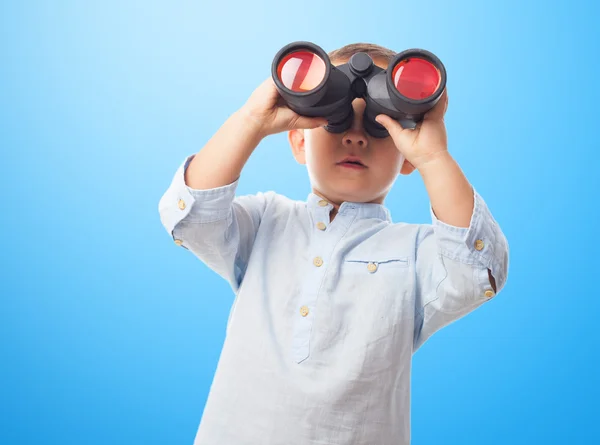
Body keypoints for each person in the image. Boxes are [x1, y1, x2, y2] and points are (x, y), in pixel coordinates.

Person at [158, 42, 509, 445]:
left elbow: (477, 266)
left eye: (381, 124)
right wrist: (252, 119)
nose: (356, 137)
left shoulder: (415, 254)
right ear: (298, 140)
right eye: (336, 120)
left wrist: (435, 157)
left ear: (406, 156)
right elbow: (191, 217)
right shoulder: (267, 220)